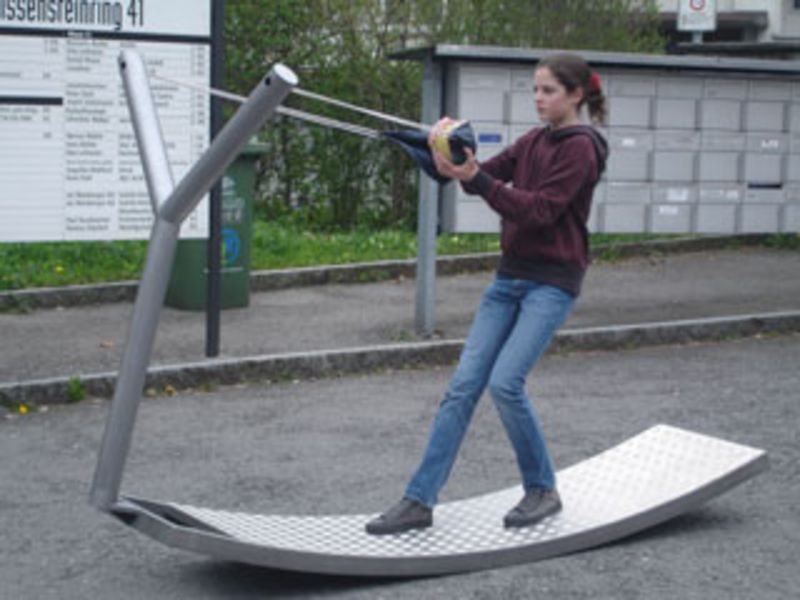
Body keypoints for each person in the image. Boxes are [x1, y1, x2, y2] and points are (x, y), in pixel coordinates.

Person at [366, 52, 609, 535]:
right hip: (509, 279)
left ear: (576, 94)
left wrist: (475, 177)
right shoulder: (534, 140)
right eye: (535, 89)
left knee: (505, 384)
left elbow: (538, 211)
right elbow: (478, 173)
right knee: (462, 388)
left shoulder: (582, 148)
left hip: (551, 283)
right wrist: (436, 147)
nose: (538, 98)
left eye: (548, 90)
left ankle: (542, 489)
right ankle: (418, 501)